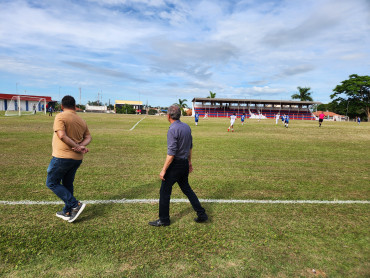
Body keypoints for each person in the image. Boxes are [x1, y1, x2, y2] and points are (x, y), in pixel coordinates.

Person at [149, 105, 208, 226]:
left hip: (176, 165)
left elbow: (171, 153)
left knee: (165, 191)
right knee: (187, 189)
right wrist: (189, 162)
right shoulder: (186, 127)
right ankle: (202, 214)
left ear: (168, 116)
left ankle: (164, 219)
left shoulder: (172, 129)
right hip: (184, 163)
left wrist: (163, 170)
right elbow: (190, 147)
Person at [46, 95, 92, 223]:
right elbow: (89, 137)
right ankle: (67, 211)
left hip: (62, 157)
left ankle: (75, 205)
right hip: (76, 159)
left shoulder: (60, 116)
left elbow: (61, 135)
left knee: (51, 183)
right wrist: (81, 146)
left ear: (62, 106)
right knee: (67, 184)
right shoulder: (81, 120)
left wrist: (77, 146)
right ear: (74, 106)